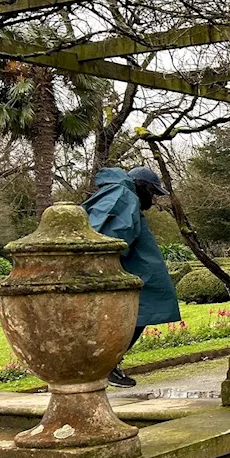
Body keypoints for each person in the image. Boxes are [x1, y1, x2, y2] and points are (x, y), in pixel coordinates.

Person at [83, 166, 182, 388]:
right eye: (152, 192)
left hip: (135, 269)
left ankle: (107, 363)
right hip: (132, 271)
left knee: (141, 312)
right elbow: (115, 234)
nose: (154, 198)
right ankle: (106, 364)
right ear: (142, 187)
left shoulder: (121, 194)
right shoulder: (125, 196)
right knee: (140, 312)